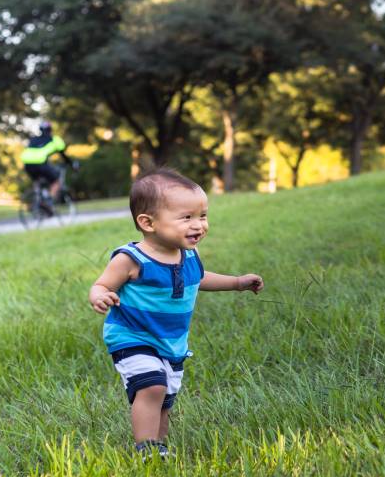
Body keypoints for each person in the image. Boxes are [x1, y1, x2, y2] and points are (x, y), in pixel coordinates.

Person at [88, 167, 264, 458]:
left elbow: (199, 278)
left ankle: (161, 449)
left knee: (165, 400)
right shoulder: (130, 259)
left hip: (172, 343)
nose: (199, 225)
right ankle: (146, 450)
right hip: (132, 336)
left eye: (203, 215)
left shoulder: (188, 255)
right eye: (186, 217)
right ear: (148, 222)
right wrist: (100, 295)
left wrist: (236, 283)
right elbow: (101, 283)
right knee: (152, 388)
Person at [19, 122, 71, 208]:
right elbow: (63, 155)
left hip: (27, 164)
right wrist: (71, 164)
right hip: (40, 163)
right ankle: (48, 202)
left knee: (37, 181)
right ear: (50, 130)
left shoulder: (33, 139)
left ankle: (37, 199)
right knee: (56, 182)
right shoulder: (54, 140)